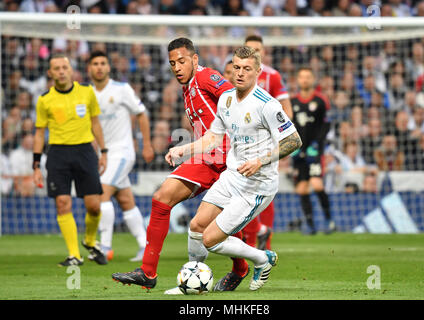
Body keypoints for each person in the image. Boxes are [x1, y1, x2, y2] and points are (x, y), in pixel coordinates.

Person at [112, 37, 249, 292]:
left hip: (231, 160)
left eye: (182, 61)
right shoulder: (187, 88)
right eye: (172, 63)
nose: (176, 67)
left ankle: (241, 267)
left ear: (195, 60)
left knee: (220, 222)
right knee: (161, 198)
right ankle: (148, 272)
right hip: (208, 159)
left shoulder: (207, 77)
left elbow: (236, 98)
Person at [165, 46, 301, 292]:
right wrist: (183, 150)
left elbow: (293, 140)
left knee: (210, 240)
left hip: (256, 186)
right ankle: (189, 282)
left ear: (257, 71)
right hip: (232, 178)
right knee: (196, 226)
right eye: (236, 67)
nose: (240, 73)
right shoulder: (226, 99)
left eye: (246, 69)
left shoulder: (267, 105)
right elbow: (213, 139)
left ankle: (262, 259)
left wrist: (261, 160)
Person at [32, 53, 108, 266]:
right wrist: (36, 165)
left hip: (85, 151)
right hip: (58, 154)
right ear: (50, 73)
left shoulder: (86, 92)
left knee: (94, 206)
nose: (61, 71)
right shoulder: (44, 99)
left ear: (71, 70)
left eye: (64, 67)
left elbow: (96, 123)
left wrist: (104, 152)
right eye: (56, 68)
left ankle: (90, 241)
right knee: (62, 203)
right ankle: (75, 255)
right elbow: (39, 133)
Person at [87, 50, 155, 262]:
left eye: (103, 63)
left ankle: (105, 247)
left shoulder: (122, 89)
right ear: (89, 68)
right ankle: (146, 247)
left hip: (123, 152)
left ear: (108, 67)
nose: (99, 67)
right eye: (95, 63)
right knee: (125, 200)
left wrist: (147, 145)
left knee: (101, 196)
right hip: (103, 155)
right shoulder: (86, 93)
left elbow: (141, 114)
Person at [242, 34, 293, 250]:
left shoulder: (272, 76)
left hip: (265, 144)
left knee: (266, 187)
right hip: (241, 141)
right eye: (250, 49)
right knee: (241, 189)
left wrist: (282, 137)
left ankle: (266, 242)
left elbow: (286, 107)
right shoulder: (236, 74)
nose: (254, 53)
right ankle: (252, 237)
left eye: (257, 50)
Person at [289, 67, 336, 235]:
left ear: (313, 79)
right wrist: (291, 147)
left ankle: (329, 220)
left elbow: (326, 125)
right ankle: (311, 225)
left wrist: (317, 145)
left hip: (314, 152)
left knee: (316, 184)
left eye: (308, 77)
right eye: (301, 77)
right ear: (298, 80)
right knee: (301, 188)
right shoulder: (292, 102)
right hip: (298, 152)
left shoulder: (321, 100)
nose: (305, 80)